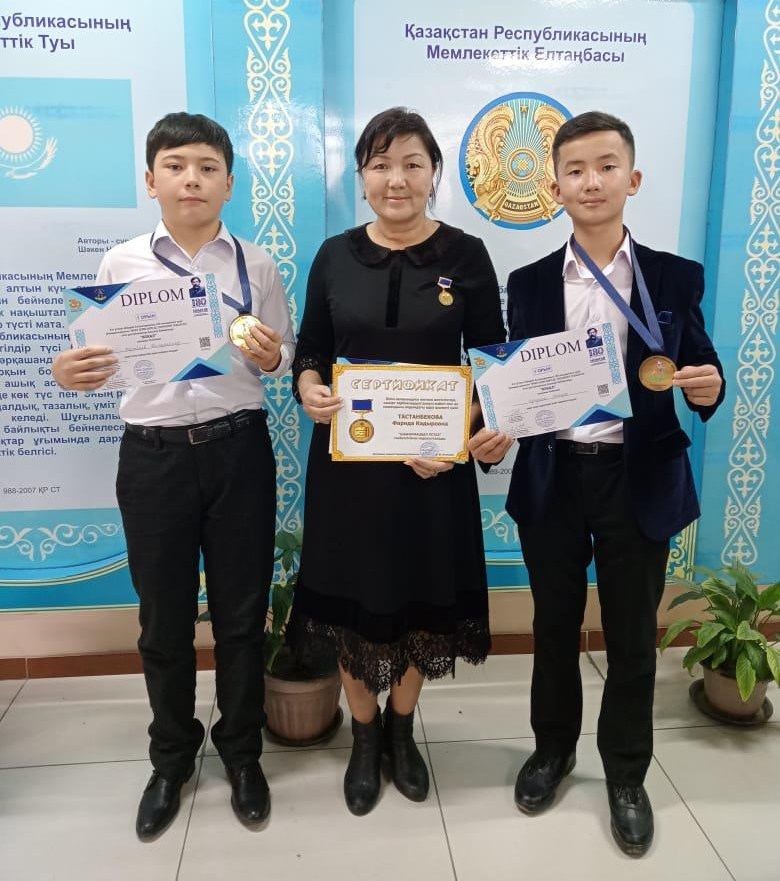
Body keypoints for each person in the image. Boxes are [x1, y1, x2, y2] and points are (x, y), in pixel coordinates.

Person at [52, 113, 295, 839]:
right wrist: (68, 371)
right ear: (151, 179)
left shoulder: (256, 264)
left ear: (229, 183)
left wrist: (272, 355)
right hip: (152, 457)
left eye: (208, 167)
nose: (192, 179)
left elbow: (281, 358)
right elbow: (95, 364)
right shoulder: (120, 263)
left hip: (237, 450)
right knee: (162, 620)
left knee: (242, 617)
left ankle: (242, 753)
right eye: (177, 166)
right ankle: (171, 759)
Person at [502, 111, 724, 856]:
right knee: (553, 627)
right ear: (555, 188)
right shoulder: (529, 283)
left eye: (606, 166)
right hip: (555, 477)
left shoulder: (673, 275)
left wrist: (709, 386)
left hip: (640, 479)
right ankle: (552, 751)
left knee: (632, 637)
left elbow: (699, 362)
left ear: (633, 179)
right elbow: (518, 382)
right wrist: (498, 422)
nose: (590, 181)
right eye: (575, 170)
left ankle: (626, 774)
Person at [288, 107, 511, 816]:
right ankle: (363, 734)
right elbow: (311, 351)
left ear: (433, 173)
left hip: (432, 472)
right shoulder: (333, 256)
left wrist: (458, 439)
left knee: (424, 598)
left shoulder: (466, 256)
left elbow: (492, 363)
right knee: (349, 600)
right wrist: (309, 388)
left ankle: (402, 728)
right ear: (361, 176)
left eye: (412, 164)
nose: (396, 179)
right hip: (348, 471)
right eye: (381, 165)